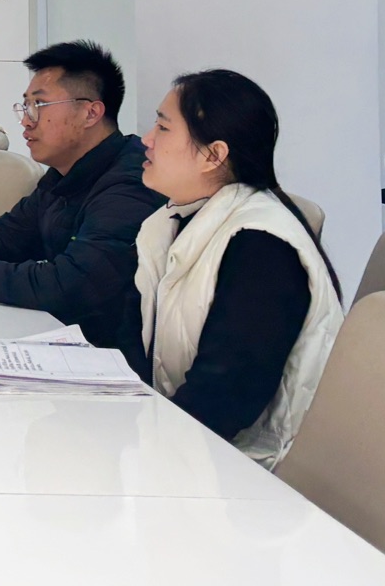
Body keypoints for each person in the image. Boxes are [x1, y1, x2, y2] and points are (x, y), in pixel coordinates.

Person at [120, 69, 343, 465]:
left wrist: (133, 447)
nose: (146, 140)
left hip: (248, 469)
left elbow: (223, 399)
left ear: (214, 155)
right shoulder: (172, 221)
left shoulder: (262, 247)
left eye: (163, 128)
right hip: (187, 446)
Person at [0, 40, 162, 347]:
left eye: (39, 106)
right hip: (55, 336)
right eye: (25, 107)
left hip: (106, 356)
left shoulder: (130, 184)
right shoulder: (65, 172)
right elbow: (7, 234)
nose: (26, 121)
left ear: (90, 113)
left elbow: (70, 285)